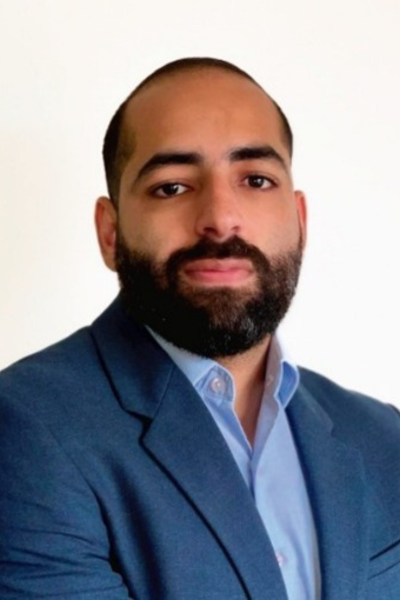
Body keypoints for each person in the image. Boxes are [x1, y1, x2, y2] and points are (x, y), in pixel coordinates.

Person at [0, 57, 399, 600]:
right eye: (171, 187)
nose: (220, 217)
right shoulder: (25, 430)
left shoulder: (383, 436)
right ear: (110, 233)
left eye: (256, 180)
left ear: (300, 222)